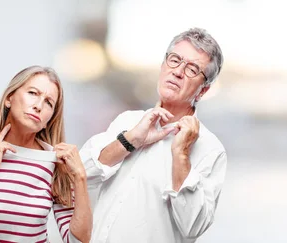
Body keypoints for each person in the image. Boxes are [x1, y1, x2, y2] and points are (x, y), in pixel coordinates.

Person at [80, 28, 227, 243]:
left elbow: (193, 226)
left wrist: (181, 155)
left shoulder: (211, 149)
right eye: (175, 60)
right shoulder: (127, 121)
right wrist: (130, 141)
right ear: (163, 65)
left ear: (203, 91)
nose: (177, 71)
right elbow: (82, 174)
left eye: (192, 69)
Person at [0, 66, 92, 243]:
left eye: (49, 102)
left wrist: (80, 177)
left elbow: (78, 241)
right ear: (9, 99)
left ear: (49, 120)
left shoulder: (55, 162)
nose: (38, 106)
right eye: (33, 93)